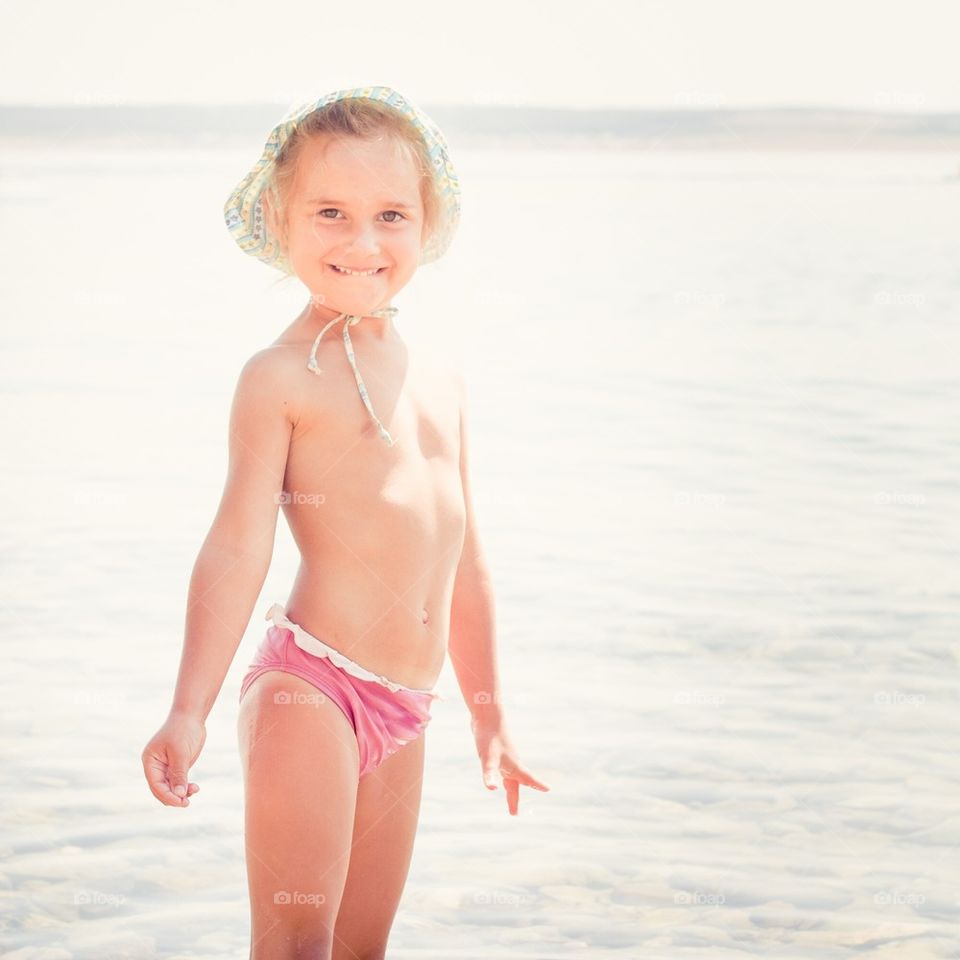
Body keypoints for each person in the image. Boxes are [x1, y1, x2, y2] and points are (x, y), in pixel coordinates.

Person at [140, 85, 550, 959]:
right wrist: (187, 710)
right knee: (297, 943)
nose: (363, 242)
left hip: (407, 703)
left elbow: (463, 556)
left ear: (428, 223)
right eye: (331, 213)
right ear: (280, 223)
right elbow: (238, 545)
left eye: (390, 215)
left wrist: (489, 713)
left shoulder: (439, 377)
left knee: (364, 950)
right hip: (310, 688)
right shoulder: (278, 377)